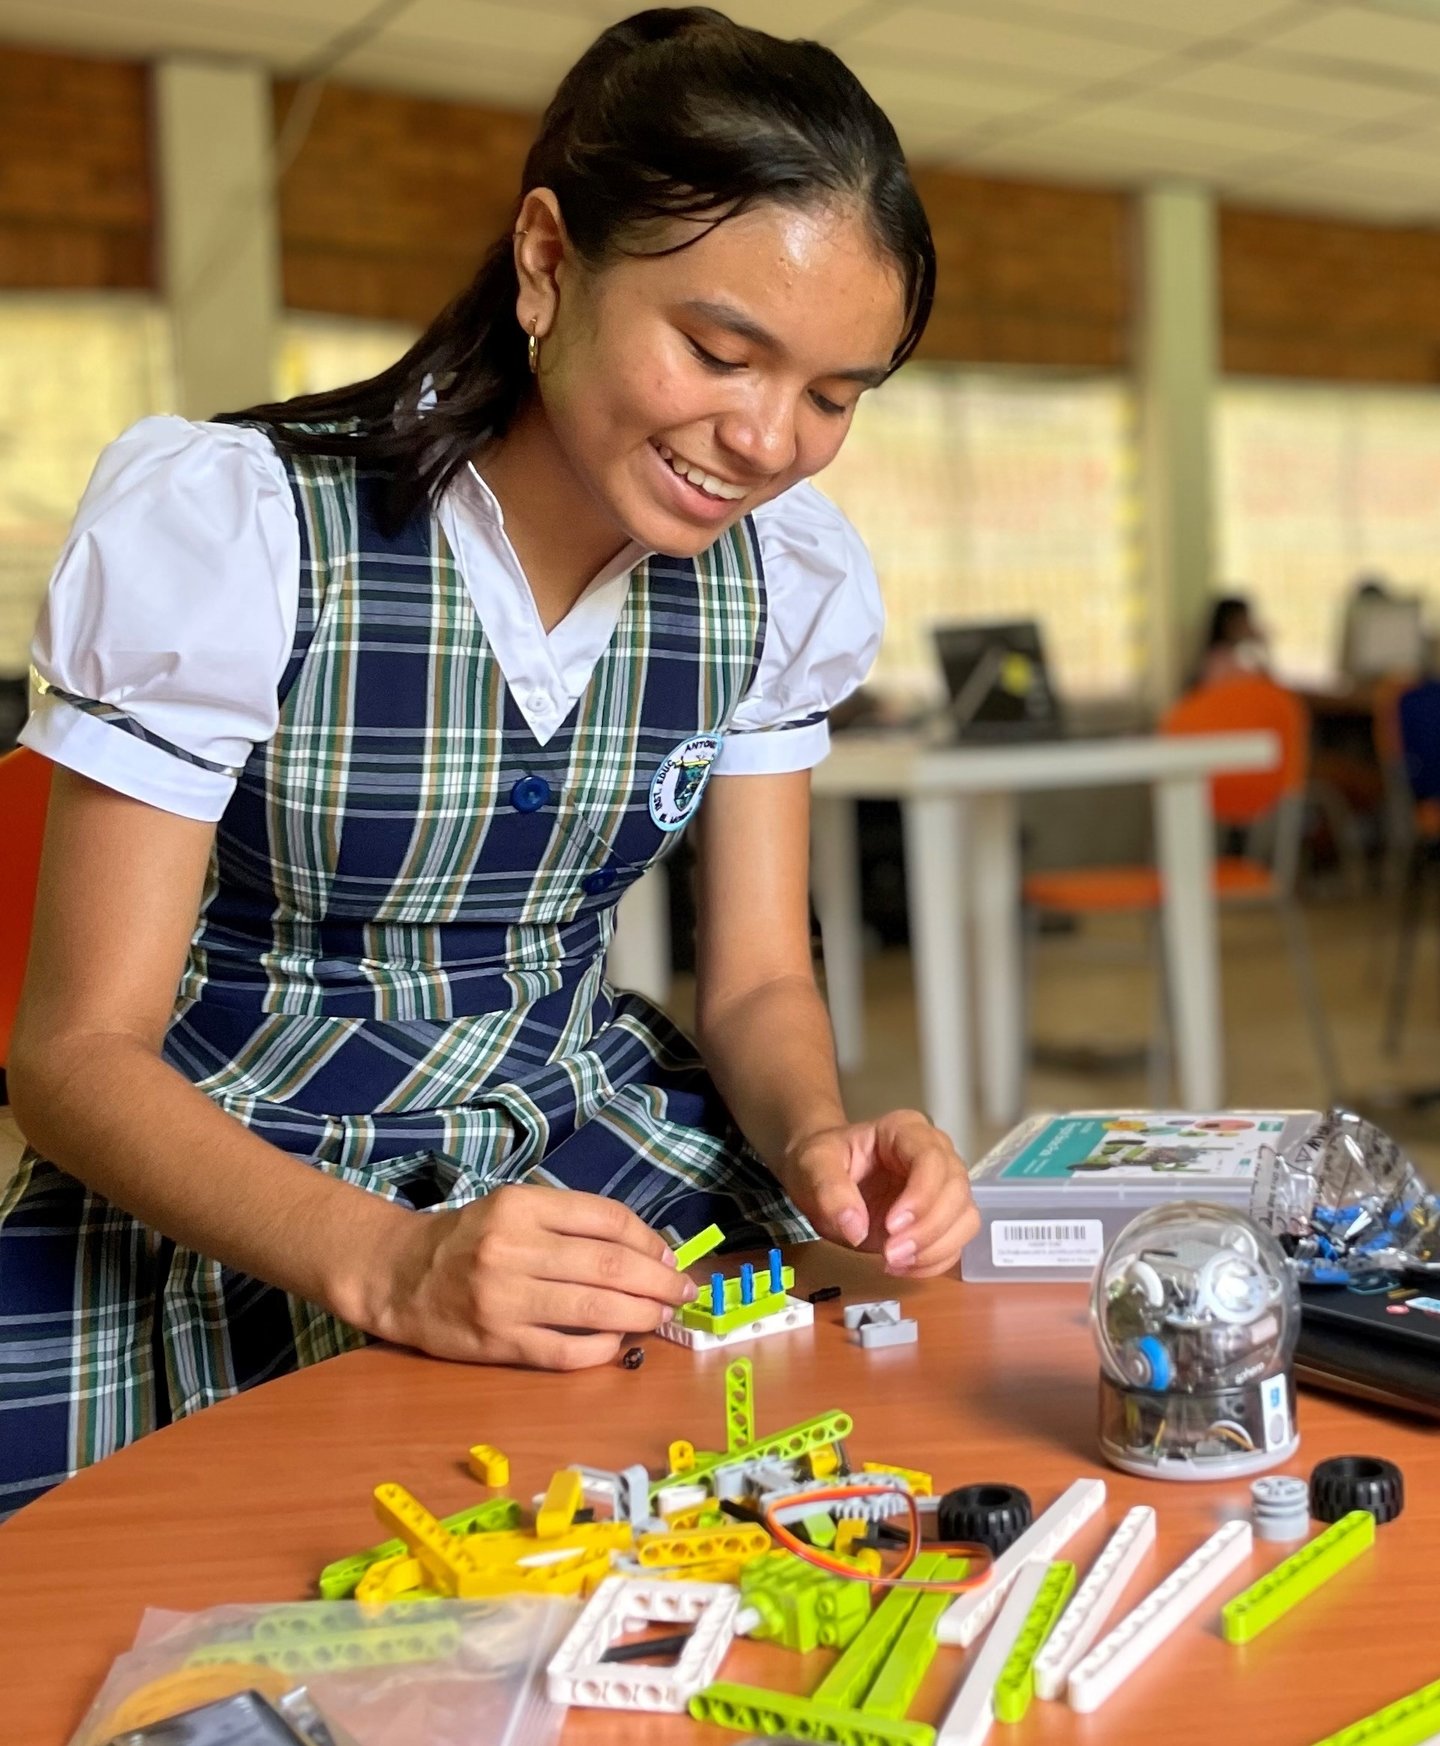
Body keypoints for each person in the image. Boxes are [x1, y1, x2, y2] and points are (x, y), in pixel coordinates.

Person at [0, 8, 979, 1519]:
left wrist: (819, 1143)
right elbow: (72, 1058)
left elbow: (760, 983)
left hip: (583, 1154)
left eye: (837, 394)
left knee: (803, 1505)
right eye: (722, 350)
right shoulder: (246, 531)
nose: (771, 437)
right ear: (545, 261)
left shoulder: (781, 582)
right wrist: (392, 1260)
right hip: (242, 1201)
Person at [1196, 594, 1270, 689]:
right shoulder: (1219, 660)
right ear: (1229, 623)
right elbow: (1260, 684)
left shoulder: (1233, 656)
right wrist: (1263, 646)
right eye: (1243, 620)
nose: (1248, 625)